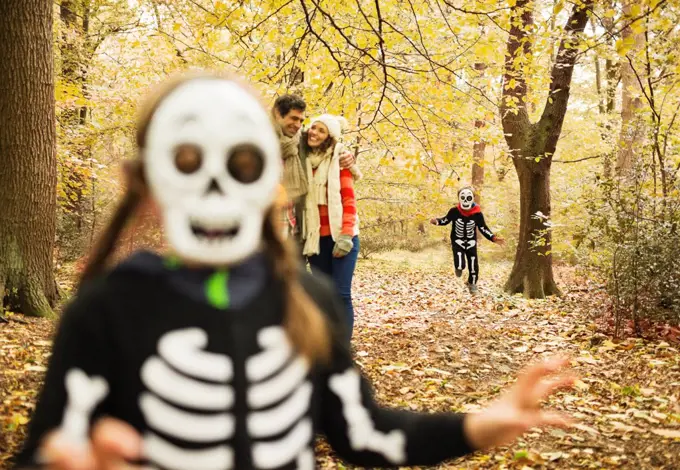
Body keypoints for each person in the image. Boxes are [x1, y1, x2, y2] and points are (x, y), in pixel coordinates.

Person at [13, 72, 575, 470]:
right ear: (147, 182)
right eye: (186, 161)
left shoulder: (306, 300)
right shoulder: (106, 309)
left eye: (241, 163)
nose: (214, 187)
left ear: (269, 182)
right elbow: (46, 449)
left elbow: (363, 433)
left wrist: (479, 426)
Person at [301, 114, 360, 341]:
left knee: (341, 294)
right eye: (312, 128)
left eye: (321, 130)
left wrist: (346, 234)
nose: (314, 133)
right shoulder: (301, 159)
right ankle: (326, 344)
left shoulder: (339, 161)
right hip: (316, 240)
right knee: (322, 295)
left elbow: (348, 200)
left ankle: (342, 348)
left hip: (342, 236)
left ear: (330, 138)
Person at [271, 95, 360, 244]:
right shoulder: (258, 142)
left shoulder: (300, 142)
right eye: (293, 118)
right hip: (267, 231)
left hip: (295, 232)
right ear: (277, 114)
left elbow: (328, 148)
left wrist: (348, 157)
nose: (298, 125)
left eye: (301, 120)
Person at [430, 187, 505, 294]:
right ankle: (459, 267)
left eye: (469, 197)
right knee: (460, 264)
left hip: (471, 242)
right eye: (463, 197)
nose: (465, 200)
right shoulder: (454, 211)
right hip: (457, 241)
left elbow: (483, 228)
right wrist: (437, 221)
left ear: (473, 198)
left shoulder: (477, 214)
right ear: (459, 198)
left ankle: (472, 283)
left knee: (474, 264)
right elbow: (445, 220)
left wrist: (493, 238)